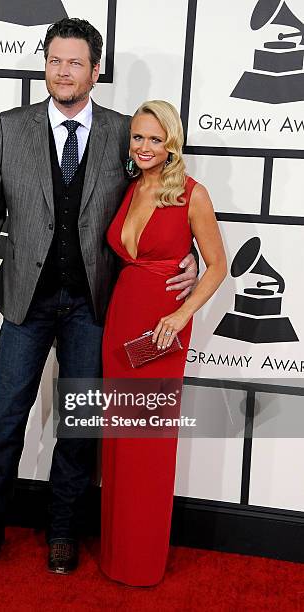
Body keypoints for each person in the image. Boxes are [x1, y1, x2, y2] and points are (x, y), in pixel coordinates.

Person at [0, 19, 198, 579]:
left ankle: (63, 531)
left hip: (94, 306)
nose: (63, 71)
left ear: (95, 70)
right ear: (46, 64)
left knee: (80, 423)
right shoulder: (9, 127)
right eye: (55, 60)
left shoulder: (122, 132)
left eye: (75, 63)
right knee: (3, 420)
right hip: (23, 303)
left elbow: (162, 195)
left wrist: (186, 256)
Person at [100, 100, 227, 586]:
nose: (145, 147)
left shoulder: (192, 194)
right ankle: (116, 554)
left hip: (162, 329)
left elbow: (217, 265)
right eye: (138, 138)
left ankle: (142, 561)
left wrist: (179, 314)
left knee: (147, 445)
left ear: (172, 142)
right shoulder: (131, 188)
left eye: (155, 138)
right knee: (120, 442)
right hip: (121, 322)